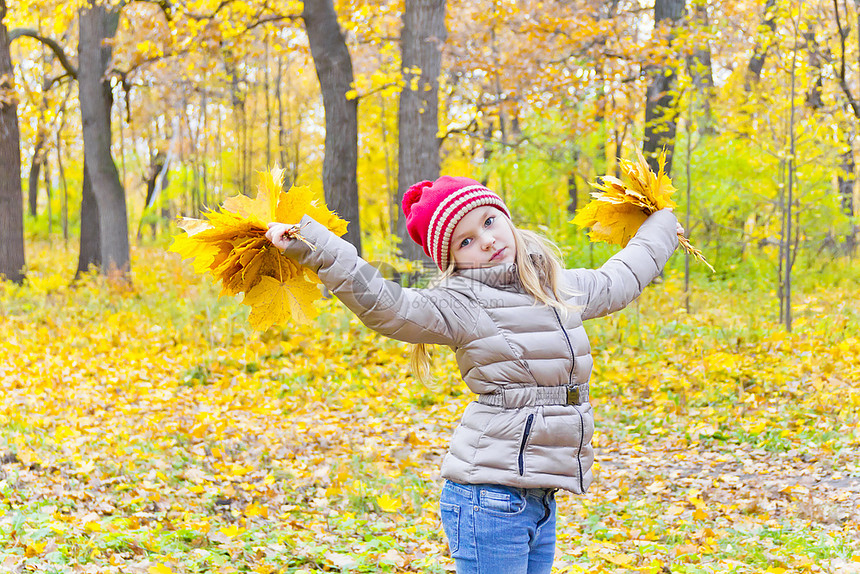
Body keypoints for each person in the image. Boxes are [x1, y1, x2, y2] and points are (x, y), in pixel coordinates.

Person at [266, 176, 680, 574]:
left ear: (505, 217)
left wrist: (661, 225)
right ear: (453, 260)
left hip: (538, 496)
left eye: (488, 221)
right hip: (489, 499)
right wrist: (312, 244)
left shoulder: (556, 286)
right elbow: (386, 305)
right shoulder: (459, 304)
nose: (486, 239)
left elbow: (621, 278)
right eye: (466, 241)